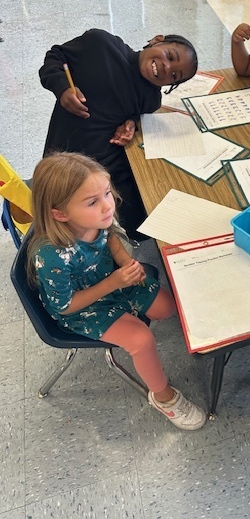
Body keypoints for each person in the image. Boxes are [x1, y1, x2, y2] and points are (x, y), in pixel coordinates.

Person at [28, 152, 207, 431]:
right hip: (82, 307)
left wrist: (124, 261)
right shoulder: (51, 256)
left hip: (111, 277)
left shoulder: (97, 218)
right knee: (141, 339)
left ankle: (130, 311)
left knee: (166, 307)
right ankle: (163, 397)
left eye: (107, 194)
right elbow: (65, 306)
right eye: (93, 202)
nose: (107, 206)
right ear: (60, 214)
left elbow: (110, 236)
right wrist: (114, 283)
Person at [39, 28, 198, 240]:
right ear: (157, 40)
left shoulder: (151, 99)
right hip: (65, 160)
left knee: (151, 212)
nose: (166, 67)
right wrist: (62, 88)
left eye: (174, 76)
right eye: (169, 56)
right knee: (82, 222)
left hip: (107, 164)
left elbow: (134, 113)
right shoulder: (100, 44)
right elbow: (55, 57)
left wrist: (131, 123)